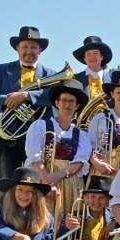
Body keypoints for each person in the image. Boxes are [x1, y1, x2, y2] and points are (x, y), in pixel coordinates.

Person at [0, 26, 53, 179]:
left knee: (37, 183)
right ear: (17, 49)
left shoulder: (51, 75)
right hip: (6, 138)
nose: (29, 51)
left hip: (39, 138)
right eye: (24, 46)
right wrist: (8, 101)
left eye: (33, 47)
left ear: (40, 50)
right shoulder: (2, 69)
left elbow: (54, 96)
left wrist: (27, 96)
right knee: (8, 183)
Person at [24, 79, 91, 230]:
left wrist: (56, 177)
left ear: (77, 106)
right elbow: (34, 156)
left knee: (68, 221)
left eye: (71, 101)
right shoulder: (40, 126)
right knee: (41, 221)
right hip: (42, 178)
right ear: (57, 103)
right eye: (64, 100)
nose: (67, 105)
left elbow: (79, 163)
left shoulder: (81, 135)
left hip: (69, 182)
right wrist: (46, 180)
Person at [57, 175, 115, 240]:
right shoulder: (74, 216)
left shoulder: (113, 217)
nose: (96, 201)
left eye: (101, 198)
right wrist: (66, 229)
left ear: (108, 200)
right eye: (93, 196)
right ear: (87, 197)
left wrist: (115, 222)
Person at [72, 35, 113, 99]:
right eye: (88, 54)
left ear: (101, 57)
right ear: (84, 58)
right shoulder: (75, 80)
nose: (92, 57)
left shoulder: (112, 79)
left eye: (95, 53)